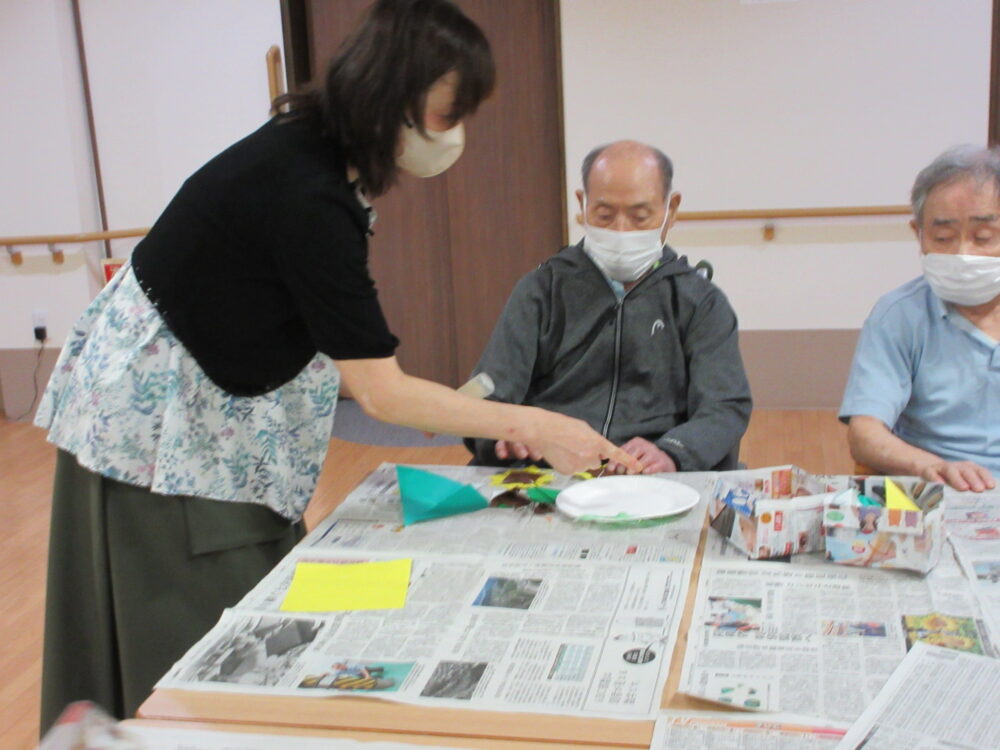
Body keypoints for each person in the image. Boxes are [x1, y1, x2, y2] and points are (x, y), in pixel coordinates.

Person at [34, 0, 639, 732]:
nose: (457, 140)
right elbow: (380, 392)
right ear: (396, 100)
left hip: (216, 403)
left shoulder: (314, 154)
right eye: (449, 118)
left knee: (251, 601)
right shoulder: (307, 192)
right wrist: (537, 426)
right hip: (161, 433)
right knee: (200, 644)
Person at [465, 140, 752, 473]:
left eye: (640, 216)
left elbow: (725, 406)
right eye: (604, 214)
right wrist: (503, 434)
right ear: (582, 204)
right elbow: (486, 394)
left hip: (650, 477)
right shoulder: (541, 291)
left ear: (670, 210)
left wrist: (673, 452)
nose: (621, 230)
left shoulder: (699, 302)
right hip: (550, 472)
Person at [840, 145, 1000, 492]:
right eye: (943, 237)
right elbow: (865, 433)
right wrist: (931, 466)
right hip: (937, 493)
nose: (963, 253)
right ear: (918, 234)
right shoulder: (899, 316)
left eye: (983, 237)